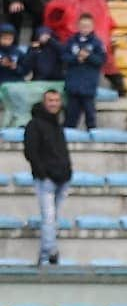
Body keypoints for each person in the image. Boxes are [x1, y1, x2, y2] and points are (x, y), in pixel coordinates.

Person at [43, 0, 124, 95]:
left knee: (105, 50)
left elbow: (106, 21)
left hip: (97, 41)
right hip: (73, 40)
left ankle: (119, 86)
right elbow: (52, 14)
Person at [24, 88, 71, 266]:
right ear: (44, 102)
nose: (54, 104)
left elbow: (63, 151)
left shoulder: (57, 124)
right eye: (50, 100)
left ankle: (45, 255)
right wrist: (42, 173)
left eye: (56, 100)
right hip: (46, 180)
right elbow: (30, 152)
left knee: (52, 219)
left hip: (63, 179)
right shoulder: (34, 124)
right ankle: (51, 252)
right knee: (49, 218)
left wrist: (68, 172)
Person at [61, 11, 104, 128]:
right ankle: (67, 137)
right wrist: (76, 59)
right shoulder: (71, 41)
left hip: (89, 86)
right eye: (83, 26)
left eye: (88, 26)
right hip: (73, 85)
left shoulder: (97, 43)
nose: (85, 29)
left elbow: (101, 60)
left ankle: (92, 133)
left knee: (90, 115)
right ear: (78, 26)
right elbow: (64, 57)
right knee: (70, 115)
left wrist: (88, 56)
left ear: (93, 27)